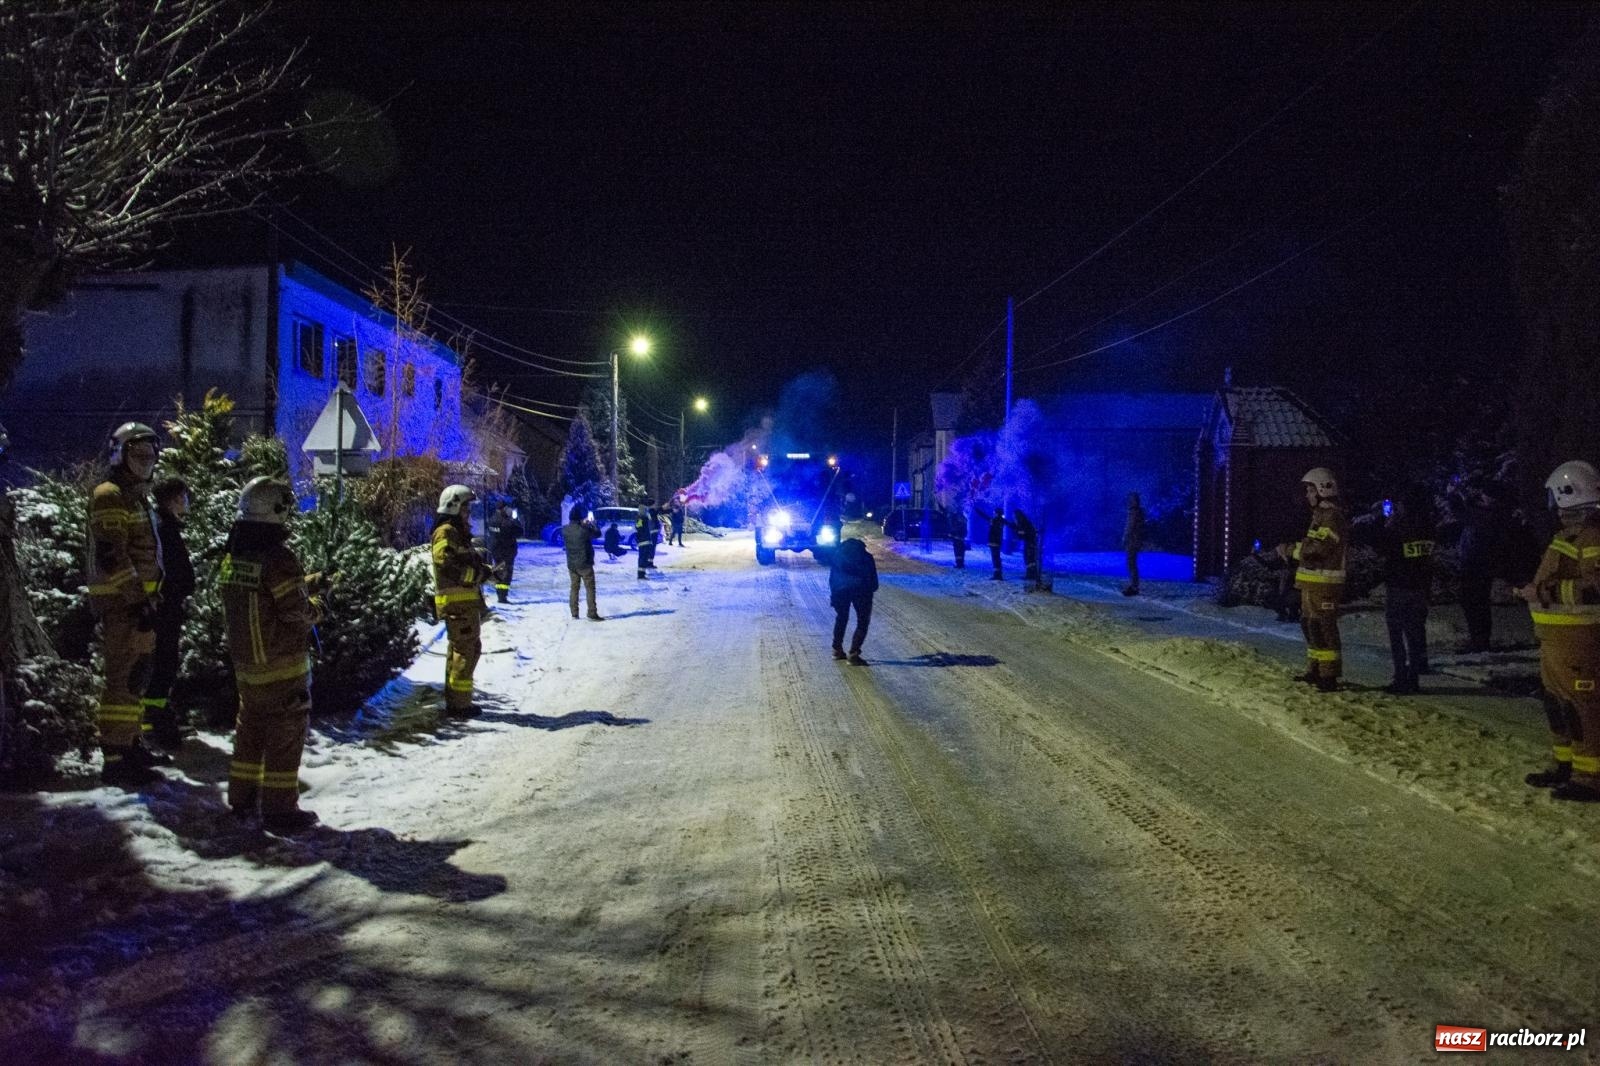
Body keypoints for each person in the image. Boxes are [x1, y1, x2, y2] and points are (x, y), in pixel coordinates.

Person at [219, 477, 329, 833]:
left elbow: (262, 596)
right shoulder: (279, 558)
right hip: (283, 667)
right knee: (285, 738)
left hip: (248, 668)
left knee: (249, 732)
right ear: (276, 510)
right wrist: (317, 605)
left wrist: (306, 581)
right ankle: (281, 810)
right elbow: (294, 613)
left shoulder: (233, 556)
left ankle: (242, 799)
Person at [1514, 460, 1600, 802]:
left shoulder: (1592, 536)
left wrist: (1544, 593)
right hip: (1557, 639)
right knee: (1558, 703)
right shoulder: (1571, 535)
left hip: (1579, 640)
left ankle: (1590, 778)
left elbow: (1595, 588)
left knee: (1584, 707)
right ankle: (1566, 765)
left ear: (1568, 494)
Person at [87, 422, 168, 786]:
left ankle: (131, 743)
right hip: (124, 604)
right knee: (121, 679)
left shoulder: (136, 496)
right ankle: (115, 755)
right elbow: (112, 555)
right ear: (119, 455)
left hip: (142, 602)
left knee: (137, 677)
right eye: (138, 455)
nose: (146, 461)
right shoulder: (110, 495)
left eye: (150, 455)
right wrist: (137, 601)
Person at [1278, 467, 1348, 693]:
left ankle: (1329, 676)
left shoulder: (1332, 517)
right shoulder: (1320, 516)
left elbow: (1319, 549)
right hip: (1312, 584)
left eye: (1310, 490)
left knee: (1324, 626)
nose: (1307, 495)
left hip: (1325, 585)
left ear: (1322, 490)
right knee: (1310, 625)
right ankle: (1315, 669)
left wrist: (1291, 550)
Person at [142, 477, 195, 749]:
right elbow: (169, 570)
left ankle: (156, 716)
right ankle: (155, 720)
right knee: (163, 663)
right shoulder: (164, 529)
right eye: (183, 497)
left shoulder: (164, 526)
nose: (186, 502)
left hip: (168, 606)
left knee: (165, 663)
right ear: (174, 499)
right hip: (165, 608)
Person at [1370, 487, 1436, 695]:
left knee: (1397, 634)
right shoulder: (1428, 527)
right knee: (1415, 634)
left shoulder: (1400, 527)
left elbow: (1382, 547)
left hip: (1399, 587)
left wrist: (1381, 520)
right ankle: (1413, 677)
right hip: (1420, 587)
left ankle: (1401, 677)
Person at [431, 484, 488, 717]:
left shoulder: (456, 532)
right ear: (454, 506)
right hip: (458, 604)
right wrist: (476, 575)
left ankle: (458, 701)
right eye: (466, 508)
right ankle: (459, 706)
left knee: (465, 650)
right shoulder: (446, 532)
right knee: (464, 652)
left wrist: (488, 572)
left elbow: (465, 563)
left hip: (464, 605)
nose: (468, 513)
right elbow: (448, 565)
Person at [829, 537, 879, 664]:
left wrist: (834, 593)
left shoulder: (837, 556)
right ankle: (854, 653)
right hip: (862, 590)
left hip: (840, 591)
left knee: (841, 618)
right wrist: (871, 589)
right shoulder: (866, 557)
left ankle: (837, 649)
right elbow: (873, 577)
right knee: (862, 621)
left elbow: (832, 577)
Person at [561, 505, 604, 621]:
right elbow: (597, 534)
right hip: (585, 563)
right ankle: (592, 612)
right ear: (580, 518)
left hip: (571, 564)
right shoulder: (584, 530)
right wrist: (592, 524)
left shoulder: (565, 529)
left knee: (574, 588)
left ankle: (574, 613)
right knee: (590, 588)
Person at [485, 501, 523, 604]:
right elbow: (520, 532)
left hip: (495, 551)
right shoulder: (507, 522)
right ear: (504, 509)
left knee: (498, 572)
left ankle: (499, 594)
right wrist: (515, 519)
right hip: (507, 552)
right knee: (506, 574)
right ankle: (503, 597)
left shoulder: (491, 520)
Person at [1122, 492, 1145, 596]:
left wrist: (1125, 538)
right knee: (1132, 563)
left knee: (1131, 563)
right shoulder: (1139, 512)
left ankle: (1134, 586)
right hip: (1136, 540)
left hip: (1132, 540)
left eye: (1131, 499)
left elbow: (1129, 527)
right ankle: (1134, 585)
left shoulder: (1133, 512)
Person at [1013, 508, 1041, 591]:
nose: (1013, 517)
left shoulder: (1024, 523)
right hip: (1029, 543)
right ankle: (1030, 574)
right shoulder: (1024, 523)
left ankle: (1031, 575)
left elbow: (1028, 533)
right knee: (1028, 559)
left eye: (1014, 516)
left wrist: (1021, 533)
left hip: (1030, 543)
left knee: (1029, 559)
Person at [636, 498, 658, 579]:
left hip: (646, 540)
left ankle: (642, 573)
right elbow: (638, 527)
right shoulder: (640, 518)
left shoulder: (644, 518)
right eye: (645, 510)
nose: (646, 511)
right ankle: (641, 574)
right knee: (642, 557)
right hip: (643, 541)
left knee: (644, 557)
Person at [987, 508, 1006, 580]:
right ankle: (998, 574)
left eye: (994, 513)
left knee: (995, 558)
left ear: (997, 513)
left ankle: (997, 575)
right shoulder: (1001, 521)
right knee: (996, 558)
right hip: (996, 542)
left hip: (994, 542)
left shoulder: (996, 521)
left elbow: (994, 532)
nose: (993, 514)